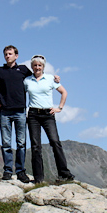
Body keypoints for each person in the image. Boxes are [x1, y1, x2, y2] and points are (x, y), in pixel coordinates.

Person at [0, 45, 59, 182]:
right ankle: (8, 171)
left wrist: (53, 78)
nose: (7, 56)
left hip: (20, 111)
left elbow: (37, 77)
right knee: (6, 143)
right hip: (5, 112)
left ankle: (20, 171)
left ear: (16, 56)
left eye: (10, 54)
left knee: (21, 143)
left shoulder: (24, 70)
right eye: (6, 54)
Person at [24, 54, 74, 183]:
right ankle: (38, 178)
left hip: (48, 114)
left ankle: (64, 173)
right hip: (33, 115)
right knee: (35, 146)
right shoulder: (27, 80)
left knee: (55, 142)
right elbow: (19, 94)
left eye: (40, 65)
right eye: (35, 65)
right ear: (32, 67)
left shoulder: (51, 78)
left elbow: (64, 92)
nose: (37, 67)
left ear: (43, 67)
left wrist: (59, 107)